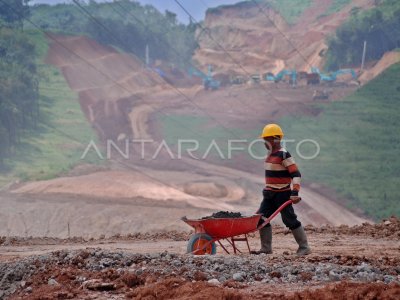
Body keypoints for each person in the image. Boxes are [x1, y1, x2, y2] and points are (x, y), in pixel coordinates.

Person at [251, 123, 311, 256]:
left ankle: (304, 247)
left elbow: (296, 174)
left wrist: (294, 192)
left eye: (265, 140)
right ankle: (266, 249)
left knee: (289, 220)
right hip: (269, 194)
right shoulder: (270, 154)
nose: (264, 142)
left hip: (282, 194)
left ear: (274, 139)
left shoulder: (284, 155)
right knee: (260, 219)